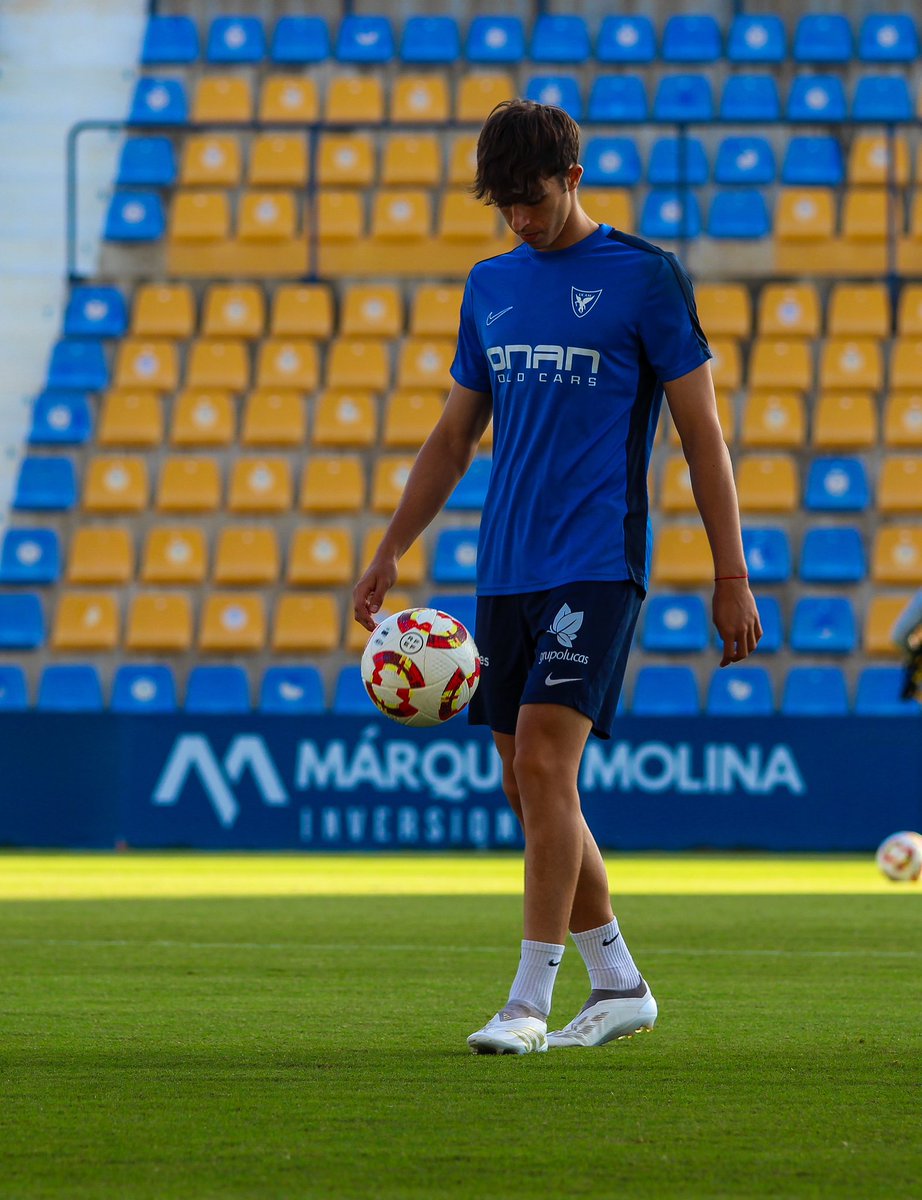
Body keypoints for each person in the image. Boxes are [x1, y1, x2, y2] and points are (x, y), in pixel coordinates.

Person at [353, 100, 762, 1055]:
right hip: (506, 570)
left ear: (572, 179)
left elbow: (702, 436)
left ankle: (528, 1002)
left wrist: (730, 573)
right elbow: (455, 437)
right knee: (528, 783)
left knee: (543, 763)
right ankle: (617, 978)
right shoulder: (490, 286)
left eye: (531, 201)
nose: (520, 222)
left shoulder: (646, 278)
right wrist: (391, 547)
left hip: (596, 560)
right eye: (504, 206)